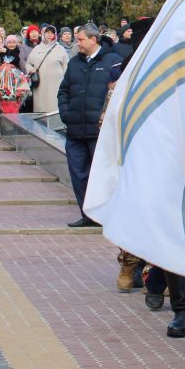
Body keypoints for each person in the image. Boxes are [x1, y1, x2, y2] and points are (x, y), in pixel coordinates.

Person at [58, 23, 124, 228]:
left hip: (100, 131)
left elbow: (119, 91)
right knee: (78, 174)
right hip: (75, 129)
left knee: (103, 175)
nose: (77, 43)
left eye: (80, 39)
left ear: (93, 39)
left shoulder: (113, 61)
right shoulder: (75, 63)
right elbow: (64, 90)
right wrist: (66, 113)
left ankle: (106, 215)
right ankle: (87, 214)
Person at [25, 24, 69, 119]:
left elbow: (66, 67)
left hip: (56, 85)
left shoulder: (60, 49)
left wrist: (65, 82)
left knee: (55, 108)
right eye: (47, 33)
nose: (49, 35)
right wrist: (31, 70)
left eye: (52, 33)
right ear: (43, 34)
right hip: (40, 85)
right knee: (40, 110)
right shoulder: (37, 48)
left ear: (55, 35)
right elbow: (28, 63)